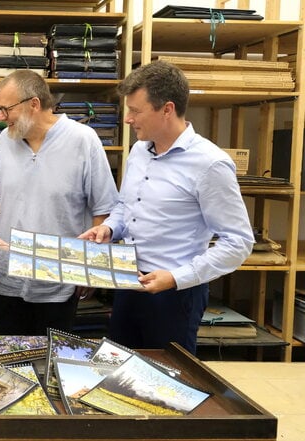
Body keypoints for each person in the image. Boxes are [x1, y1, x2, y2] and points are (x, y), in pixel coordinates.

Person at [78, 60, 254, 354]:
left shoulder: (210, 164)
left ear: (167, 109)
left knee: (167, 384)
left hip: (175, 295)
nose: (127, 120)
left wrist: (176, 278)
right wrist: (109, 227)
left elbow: (239, 243)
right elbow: (125, 205)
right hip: (128, 283)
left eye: (135, 111)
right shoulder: (138, 150)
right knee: (117, 376)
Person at [0, 69, 118, 336]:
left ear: (34, 104)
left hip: (59, 283)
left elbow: (103, 209)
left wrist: (91, 270)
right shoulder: (5, 143)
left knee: (50, 364)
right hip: (9, 280)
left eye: (5, 109)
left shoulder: (83, 140)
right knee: (8, 366)